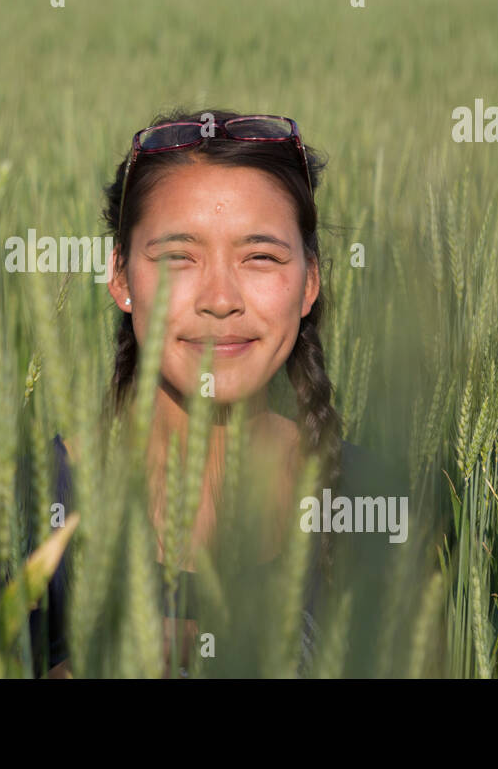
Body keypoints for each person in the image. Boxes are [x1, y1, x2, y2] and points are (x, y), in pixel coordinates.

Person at [25, 108, 370, 678]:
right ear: (120, 277)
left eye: (260, 256)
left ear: (310, 281)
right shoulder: (22, 514)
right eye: (178, 257)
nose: (220, 298)